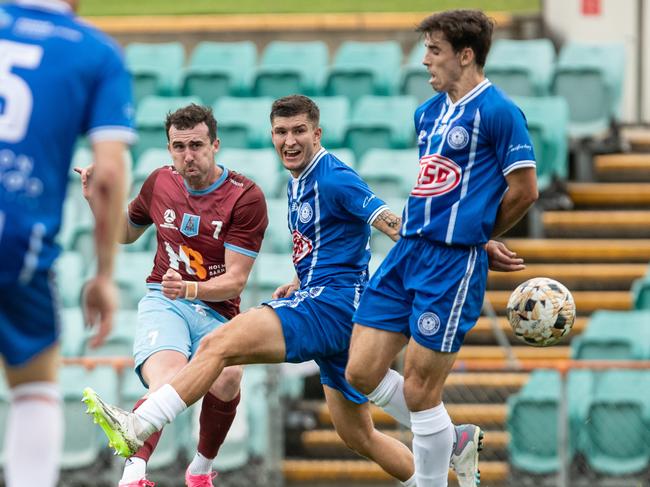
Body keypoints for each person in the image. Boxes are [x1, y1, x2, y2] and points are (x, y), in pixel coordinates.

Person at [82, 95, 525, 486]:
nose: (288, 141)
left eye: (298, 131)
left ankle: (140, 425)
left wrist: (471, 242)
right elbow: (331, 244)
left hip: (332, 305)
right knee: (358, 434)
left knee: (219, 345)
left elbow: (394, 224)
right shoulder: (299, 180)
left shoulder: (334, 177)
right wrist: (300, 277)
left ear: (317, 133)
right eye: (280, 132)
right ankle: (452, 439)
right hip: (323, 296)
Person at [345, 9, 539, 487]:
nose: (425, 60)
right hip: (408, 250)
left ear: (465, 55)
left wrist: (478, 234)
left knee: (418, 389)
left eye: (434, 50)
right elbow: (444, 190)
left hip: (452, 264)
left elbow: (525, 190)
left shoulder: (498, 111)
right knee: (360, 372)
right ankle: (453, 438)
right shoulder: (427, 112)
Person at [78, 103, 268, 487]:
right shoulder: (159, 183)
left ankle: (199, 470)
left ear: (215, 145)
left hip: (216, 309)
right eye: (178, 147)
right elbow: (123, 234)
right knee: (167, 377)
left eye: (196, 145)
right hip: (165, 302)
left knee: (230, 376)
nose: (188, 155)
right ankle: (133, 474)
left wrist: (191, 287)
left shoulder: (244, 196)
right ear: (169, 149)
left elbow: (235, 281)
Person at [0, 1, 134, 486]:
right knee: (34, 388)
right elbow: (108, 174)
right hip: (18, 244)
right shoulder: (96, 53)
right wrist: (102, 274)